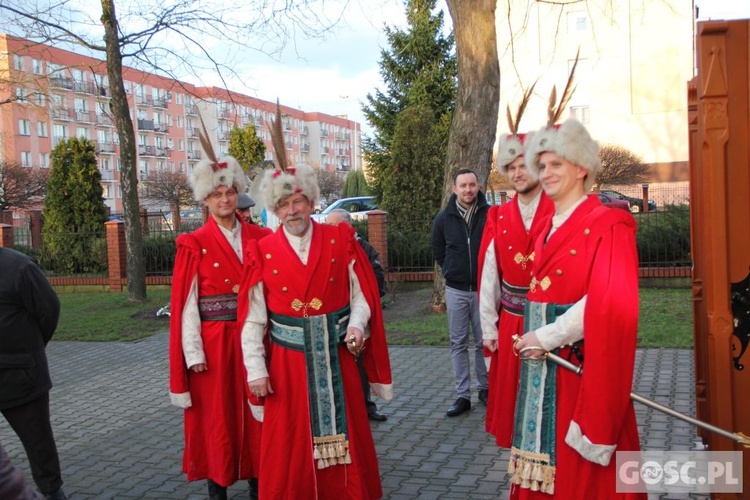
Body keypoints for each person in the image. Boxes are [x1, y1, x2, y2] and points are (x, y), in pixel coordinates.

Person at [239, 163, 393, 499]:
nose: (291, 211)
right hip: (286, 371)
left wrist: (355, 324)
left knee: (348, 445)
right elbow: (252, 320)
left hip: (338, 362)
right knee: (289, 448)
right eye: (283, 205)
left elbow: (361, 297)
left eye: (297, 202)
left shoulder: (341, 241)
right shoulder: (262, 252)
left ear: (311, 202)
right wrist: (255, 369)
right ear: (275, 210)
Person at [510, 119, 643, 498]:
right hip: (543, 373)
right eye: (543, 164)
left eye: (557, 164)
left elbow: (606, 300)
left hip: (580, 373)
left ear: (582, 167)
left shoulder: (609, 223)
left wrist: (546, 335)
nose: (546, 173)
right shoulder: (545, 226)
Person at [168, 152, 269, 500]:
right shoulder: (193, 244)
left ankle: (260, 486)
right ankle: (218, 491)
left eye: (229, 192)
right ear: (205, 199)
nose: (224, 199)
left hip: (257, 341)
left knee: (261, 414)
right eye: (216, 195)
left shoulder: (262, 236)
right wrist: (192, 351)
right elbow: (186, 305)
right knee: (218, 420)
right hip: (215, 345)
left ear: (237, 192)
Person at [478, 132, 554, 448]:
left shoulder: (556, 209)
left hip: (551, 322)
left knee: (551, 403)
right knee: (514, 405)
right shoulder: (498, 216)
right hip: (510, 324)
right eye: (510, 168)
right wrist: (488, 328)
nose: (517, 174)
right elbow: (489, 276)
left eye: (522, 166)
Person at [0, 247, 67, 500]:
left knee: (38, 443)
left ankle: (51, 492)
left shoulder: (19, 267)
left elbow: (48, 310)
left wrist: (30, 348)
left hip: (21, 376)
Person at [431, 168, 490, 417]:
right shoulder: (443, 218)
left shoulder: (489, 215)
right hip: (456, 289)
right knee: (458, 343)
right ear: (454, 189)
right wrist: (450, 270)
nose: (468, 189)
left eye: (472, 185)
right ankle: (462, 395)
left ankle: (485, 389)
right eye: (463, 185)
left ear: (478, 186)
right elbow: (438, 249)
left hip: (483, 289)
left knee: (483, 342)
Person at [326, 208, 388, 422]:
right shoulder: (326, 249)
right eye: (327, 225)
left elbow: (377, 278)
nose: (329, 230)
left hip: (357, 321)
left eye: (333, 225)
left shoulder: (363, 248)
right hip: (333, 321)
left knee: (358, 359)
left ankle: (366, 406)